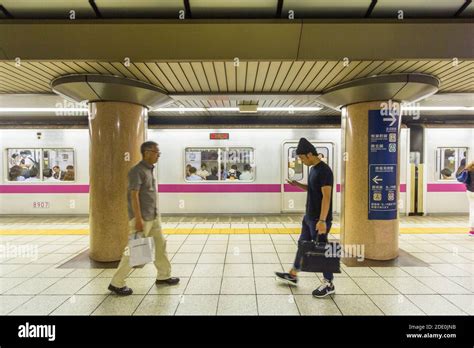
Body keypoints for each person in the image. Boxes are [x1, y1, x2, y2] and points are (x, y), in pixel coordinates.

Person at [109, 141, 179, 296]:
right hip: (142, 218)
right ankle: (116, 283)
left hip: (153, 216)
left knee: (160, 245)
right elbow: (133, 195)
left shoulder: (149, 170)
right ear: (147, 152)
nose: (158, 155)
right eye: (156, 152)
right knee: (134, 250)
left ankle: (163, 275)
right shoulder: (137, 171)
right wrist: (138, 219)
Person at [275, 137, 335, 298]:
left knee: (323, 251)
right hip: (309, 217)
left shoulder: (324, 170)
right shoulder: (313, 169)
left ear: (310, 154)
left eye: (302, 158)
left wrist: (322, 220)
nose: (302, 161)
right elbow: (313, 189)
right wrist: (298, 185)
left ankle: (329, 284)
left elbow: (326, 197)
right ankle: (293, 274)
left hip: (319, 219)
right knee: (303, 245)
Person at [456, 160, 474, 236]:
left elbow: (459, 176)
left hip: (470, 191)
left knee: (472, 209)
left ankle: (472, 230)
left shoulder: (469, 168)